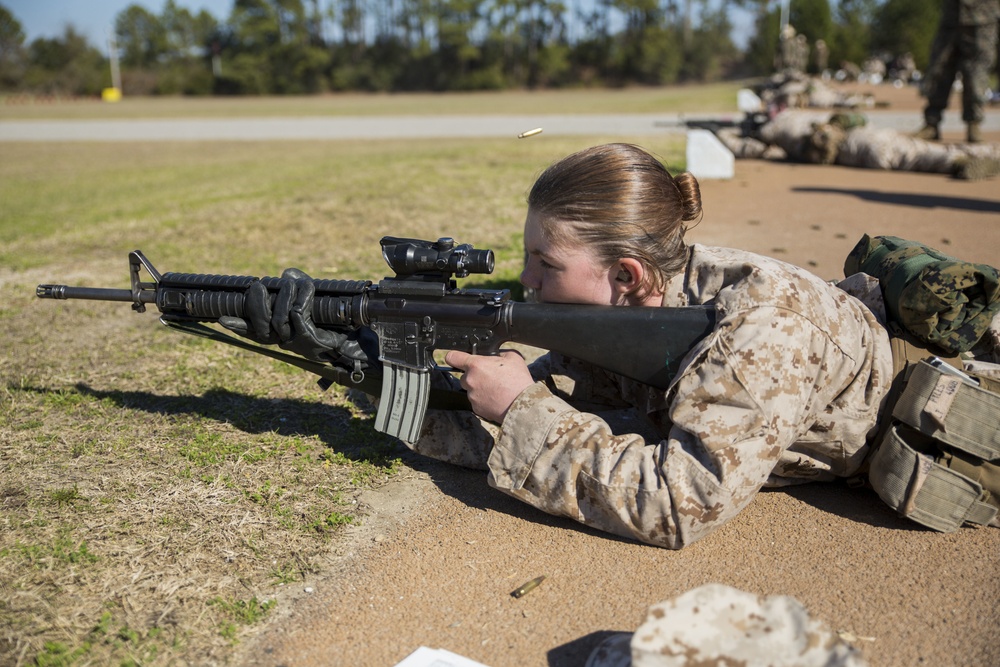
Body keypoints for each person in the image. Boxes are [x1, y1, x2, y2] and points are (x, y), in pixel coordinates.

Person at [220, 144, 1000, 549]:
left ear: (625, 277)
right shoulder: (634, 312)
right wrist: (361, 362)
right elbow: (520, 432)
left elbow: (674, 501)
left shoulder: (758, 335)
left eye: (544, 265)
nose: (522, 285)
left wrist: (521, 402)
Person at [715, 108, 1000, 179]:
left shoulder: (781, 135)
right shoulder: (799, 121)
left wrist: (720, 135)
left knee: (919, 158)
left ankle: (959, 163)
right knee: (926, 151)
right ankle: (983, 153)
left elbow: (747, 149)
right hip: (868, 138)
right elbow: (855, 118)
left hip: (861, 152)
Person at [914, 0, 1000, 142]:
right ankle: (931, 123)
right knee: (939, 68)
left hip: (983, 17)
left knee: (976, 74)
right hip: (951, 17)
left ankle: (974, 123)